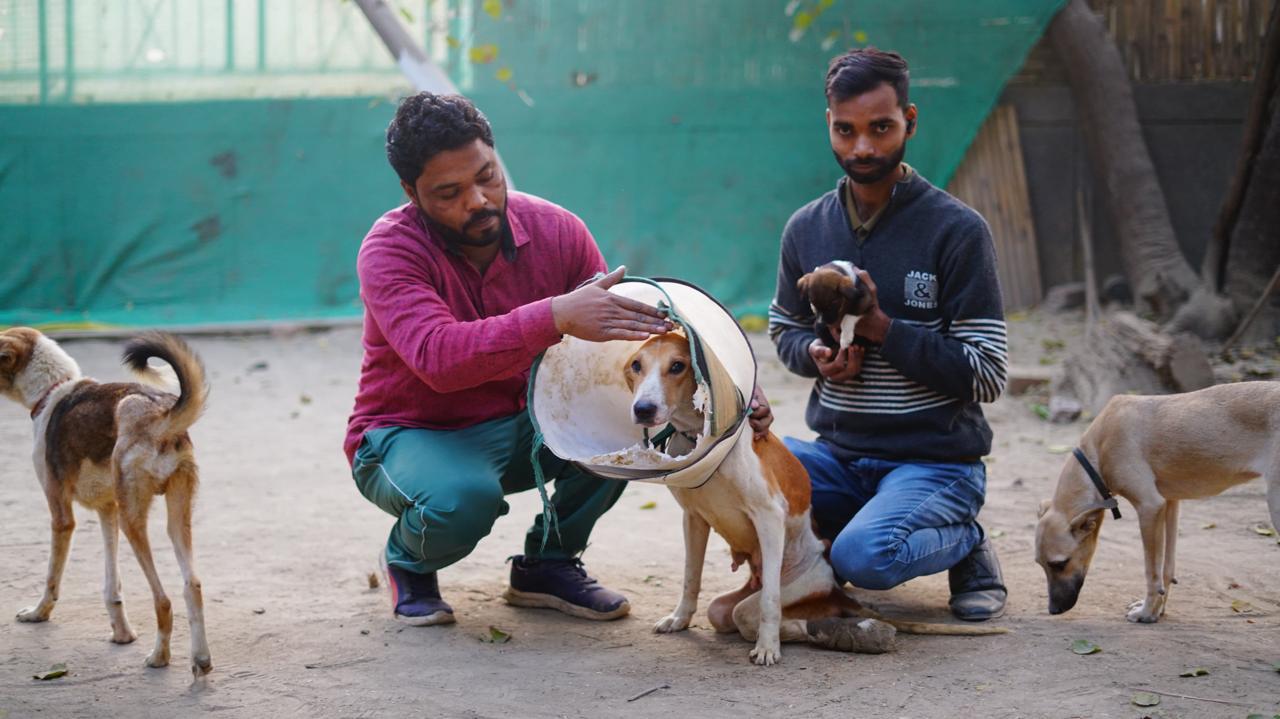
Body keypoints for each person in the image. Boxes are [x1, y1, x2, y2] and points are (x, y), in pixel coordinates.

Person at [346, 92, 774, 626]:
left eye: (487, 176)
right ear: (411, 192)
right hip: (415, 430)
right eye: (449, 193)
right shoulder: (389, 250)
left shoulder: (558, 230)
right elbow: (438, 358)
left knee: (632, 426)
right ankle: (408, 561)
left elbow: (630, 338)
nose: (478, 200)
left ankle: (548, 562)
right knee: (461, 501)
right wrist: (553, 316)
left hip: (526, 419)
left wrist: (733, 380)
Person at [767, 48, 1009, 621]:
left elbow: (987, 374)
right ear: (829, 123)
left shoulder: (956, 230)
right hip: (840, 455)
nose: (862, 148)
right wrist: (816, 354)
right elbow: (784, 330)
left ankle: (966, 539)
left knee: (864, 559)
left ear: (910, 121)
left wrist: (882, 329)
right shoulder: (806, 227)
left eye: (881, 128)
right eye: (845, 130)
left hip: (934, 461)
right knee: (751, 479)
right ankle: (864, 522)